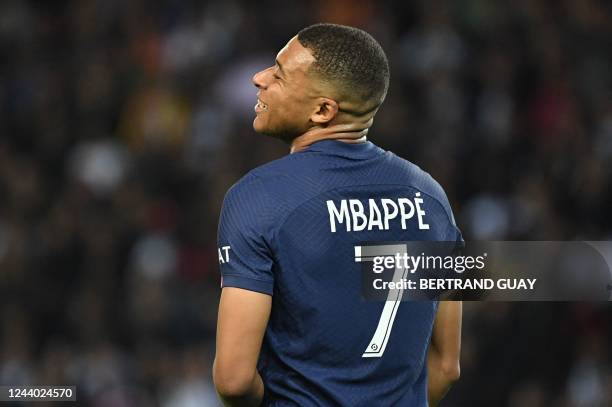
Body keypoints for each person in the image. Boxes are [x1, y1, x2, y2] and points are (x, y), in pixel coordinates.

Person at [213, 23, 462, 406]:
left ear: (323, 110)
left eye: (279, 75)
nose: (259, 78)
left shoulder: (259, 197)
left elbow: (233, 379)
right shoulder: (430, 196)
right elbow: (446, 367)